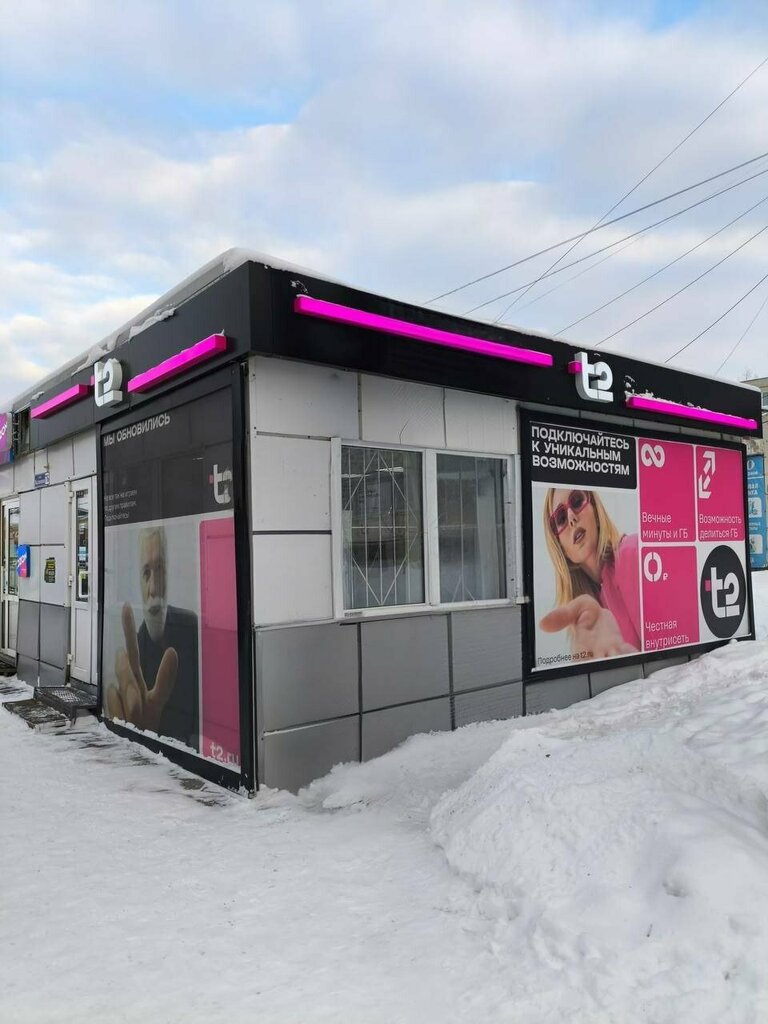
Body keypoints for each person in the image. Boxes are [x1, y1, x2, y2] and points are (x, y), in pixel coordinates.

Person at [106, 525, 199, 748]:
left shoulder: (191, 627)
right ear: (139, 582)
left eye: (160, 569)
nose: (154, 588)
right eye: (146, 573)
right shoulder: (135, 660)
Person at [538, 488, 640, 660]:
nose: (571, 517)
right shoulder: (586, 614)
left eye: (577, 501)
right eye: (561, 518)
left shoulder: (633, 553)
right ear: (560, 547)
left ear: (595, 511)